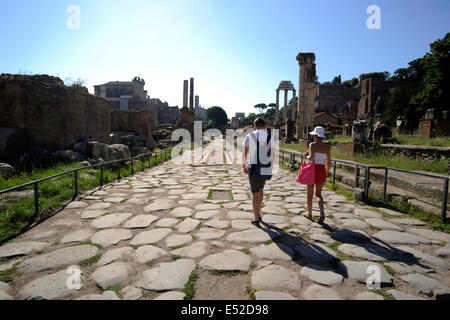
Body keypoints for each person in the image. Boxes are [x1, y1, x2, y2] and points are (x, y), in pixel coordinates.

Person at [242, 118, 275, 226]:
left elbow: (245, 152)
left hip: (253, 165)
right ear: (265, 126)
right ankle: (258, 213)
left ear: (254, 126)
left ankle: (256, 218)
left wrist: (244, 165)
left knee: (255, 192)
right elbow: (271, 153)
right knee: (261, 189)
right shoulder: (270, 137)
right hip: (265, 166)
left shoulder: (249, 136)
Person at [303, 126, 331, 223]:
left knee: (309, 194)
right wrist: (326, 172)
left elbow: (311, 157)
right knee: (318, 194)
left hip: (312, 170)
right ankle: (322, 213)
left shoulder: (312, 144)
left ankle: (309, 213)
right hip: (322, 170)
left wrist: (306, 156)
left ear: (315, 135)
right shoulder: (327, 147)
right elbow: (329, 162)